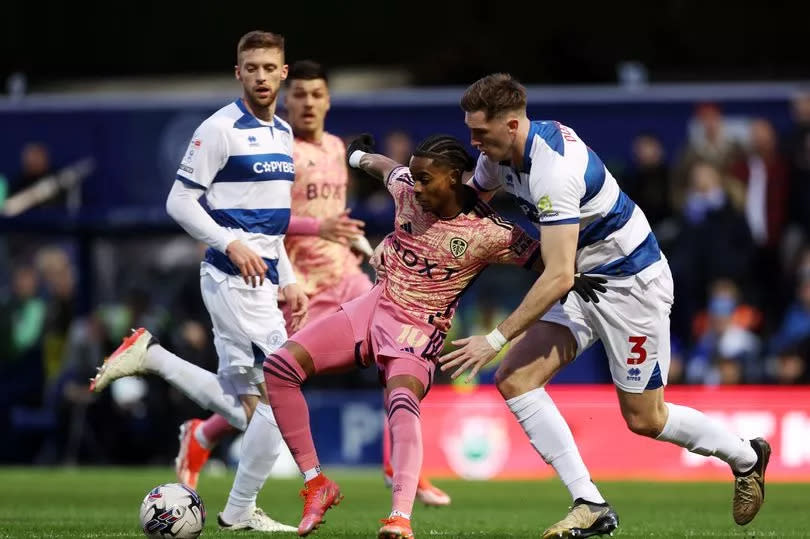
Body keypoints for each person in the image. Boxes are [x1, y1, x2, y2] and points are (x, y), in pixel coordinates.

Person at [440, 73, 770, 537]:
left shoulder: (554, 167)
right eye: (470, 132)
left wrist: (493, 338)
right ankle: (590, 502)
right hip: (584, 281)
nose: (474, 143)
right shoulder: (500, 154)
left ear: (512, 124)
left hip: (631, 287)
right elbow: (471, 203)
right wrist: (405, 188)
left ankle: (747, 456)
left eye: (481, 133)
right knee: (515, 378)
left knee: (645, 419)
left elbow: (555, 275)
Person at [254, 133, 605, 538]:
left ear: (454, 178)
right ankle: (317, 483)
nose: (415, 187)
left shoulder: (490, 232)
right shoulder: (406, 188)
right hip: (371, 308)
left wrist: (580, 274)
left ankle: (399, 518)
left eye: (425, 180)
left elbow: (550, 262)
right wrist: (357, 155)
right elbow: (385, 167)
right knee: (279, 368)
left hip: (417, 330)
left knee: (401, 400)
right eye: (414, 178)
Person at [89, 30, 304, 533]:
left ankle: (153, 356)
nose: (261, 76)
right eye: (251, 67)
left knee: (254, 408)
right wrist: (229, 243)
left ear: (283, 73)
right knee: (282, 393)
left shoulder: (284, 133)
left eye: (269, 68)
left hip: (265, 284)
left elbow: (273, 226)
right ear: (238, 73)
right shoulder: (218, 128)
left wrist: (289, 278)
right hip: (232, 280)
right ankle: (239, 510)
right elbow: (179, 202)